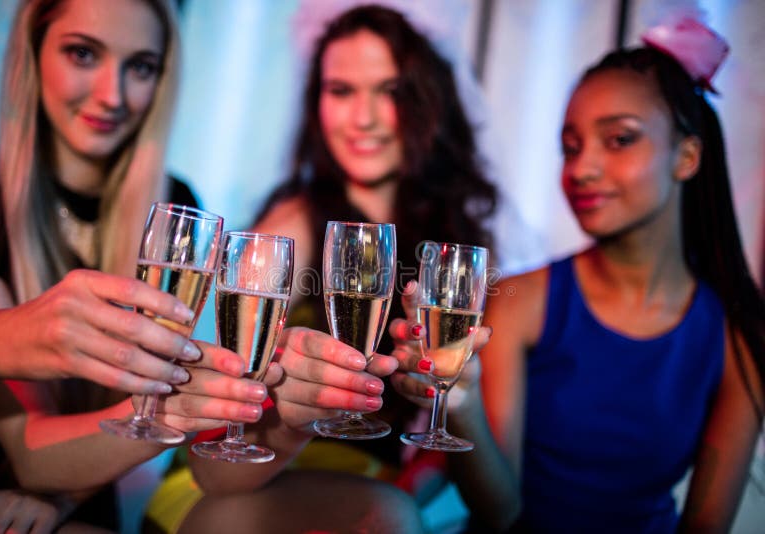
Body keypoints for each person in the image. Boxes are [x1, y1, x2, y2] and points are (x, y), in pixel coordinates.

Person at [392, 18, 765, 532]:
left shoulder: (735, 333)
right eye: (570, 147)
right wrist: (460, 400)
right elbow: (500, 510)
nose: (581, 168)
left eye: (619, 139)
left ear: (688, 156)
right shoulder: (521, 298)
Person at [142, 3, 497, 533]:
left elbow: (498, 507)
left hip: (365, 488)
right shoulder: (294, 224)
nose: (364, 118)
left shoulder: (450, 253)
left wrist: (455, 395)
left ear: (427, 99)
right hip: (237, 486)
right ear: (316, 103)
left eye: (390, 91)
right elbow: (213, 414)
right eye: (341, 91)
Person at [0, 0, 278, 531]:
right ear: (33, 51)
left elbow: (148, 415)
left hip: (81, 501)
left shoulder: (177, 207)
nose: (113, 96)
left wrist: (65, 498)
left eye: (140, 67)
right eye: (83, 53)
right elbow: (32, 451)